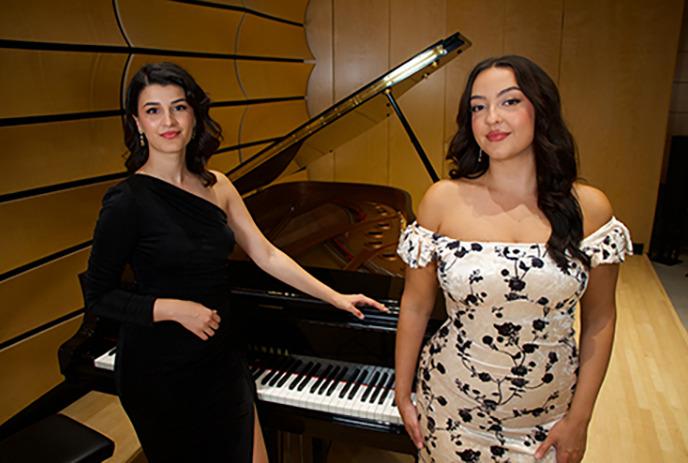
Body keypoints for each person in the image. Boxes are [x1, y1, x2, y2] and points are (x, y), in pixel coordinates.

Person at [83, 62, 387, 462]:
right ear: (137, 123)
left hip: (220, 358)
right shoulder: (126, 202)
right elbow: (97, 294)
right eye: (153, 110)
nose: (169, 121)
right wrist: (173, 309)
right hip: (159, 369)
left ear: (194, 114)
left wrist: (334, 295)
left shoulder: (218, 185)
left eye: (179, 107)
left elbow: (266, 253)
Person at [394, 55, 632, 463]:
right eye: (478, 106)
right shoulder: (442, 201)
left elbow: (600, 320)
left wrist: (580, 419)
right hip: (451, 408)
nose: (491, 119)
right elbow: (415, 305)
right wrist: (402, 393)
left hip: (546, 419)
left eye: (509, 102)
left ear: (541, 110)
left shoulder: (589, 209)